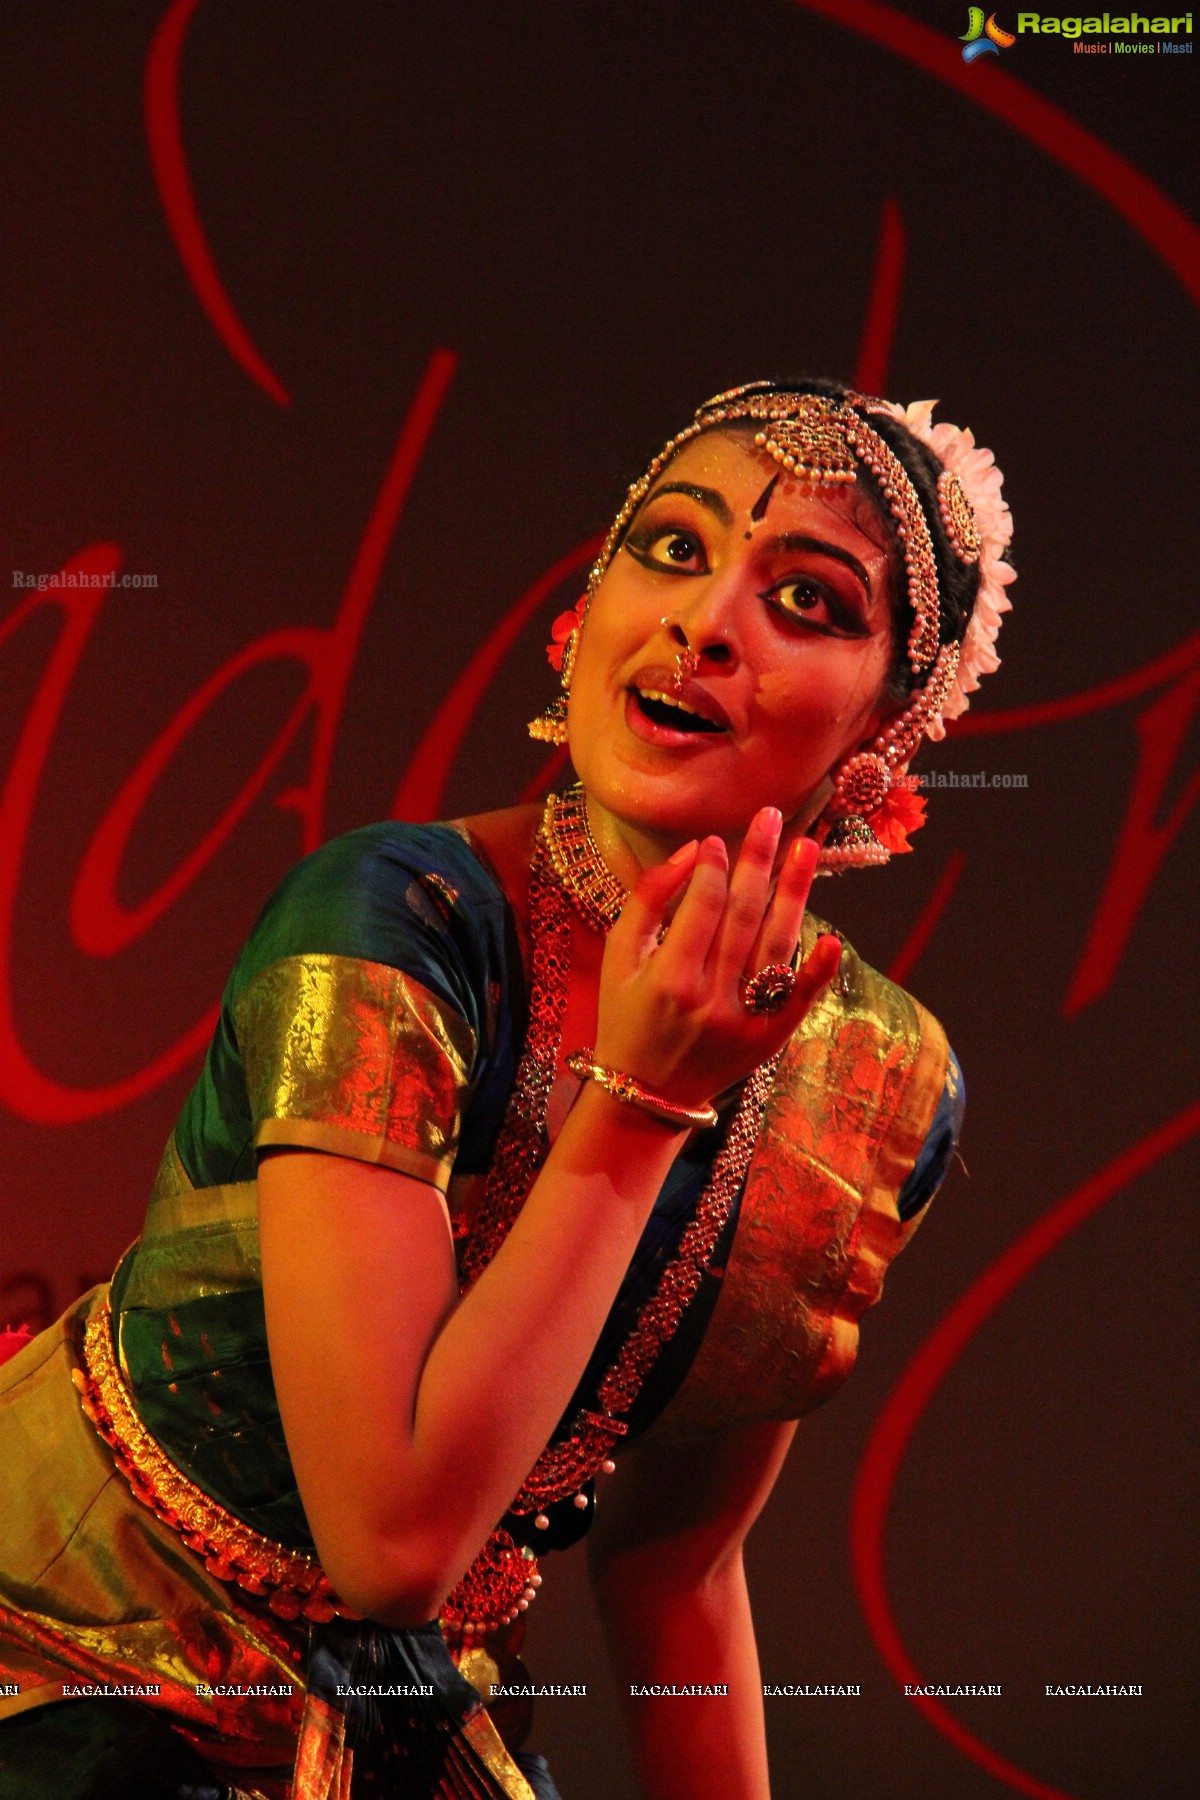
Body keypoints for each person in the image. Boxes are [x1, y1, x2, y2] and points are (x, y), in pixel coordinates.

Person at [0, 379, 1014, 1800]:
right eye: (670, 547)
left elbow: (679, 1571)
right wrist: (647, 1101)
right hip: (72, 1662)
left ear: (889, 727)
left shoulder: (869, 1080)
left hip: (411, 1721)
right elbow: (398, 1547)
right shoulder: (389, 920)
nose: (704, 620)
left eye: (810, 602)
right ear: (586, 610)